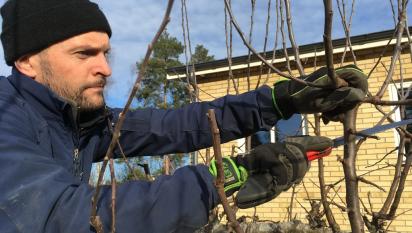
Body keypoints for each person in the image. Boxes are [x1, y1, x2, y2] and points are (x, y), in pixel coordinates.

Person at [0, 0, 368, 232]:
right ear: (27, 62)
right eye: (84, 54)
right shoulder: (5, 117)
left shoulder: (80, 121)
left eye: (105, 53)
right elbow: (58, 217)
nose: (106, 69)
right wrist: (220, 181)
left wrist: (278, 102)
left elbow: (173, 125)